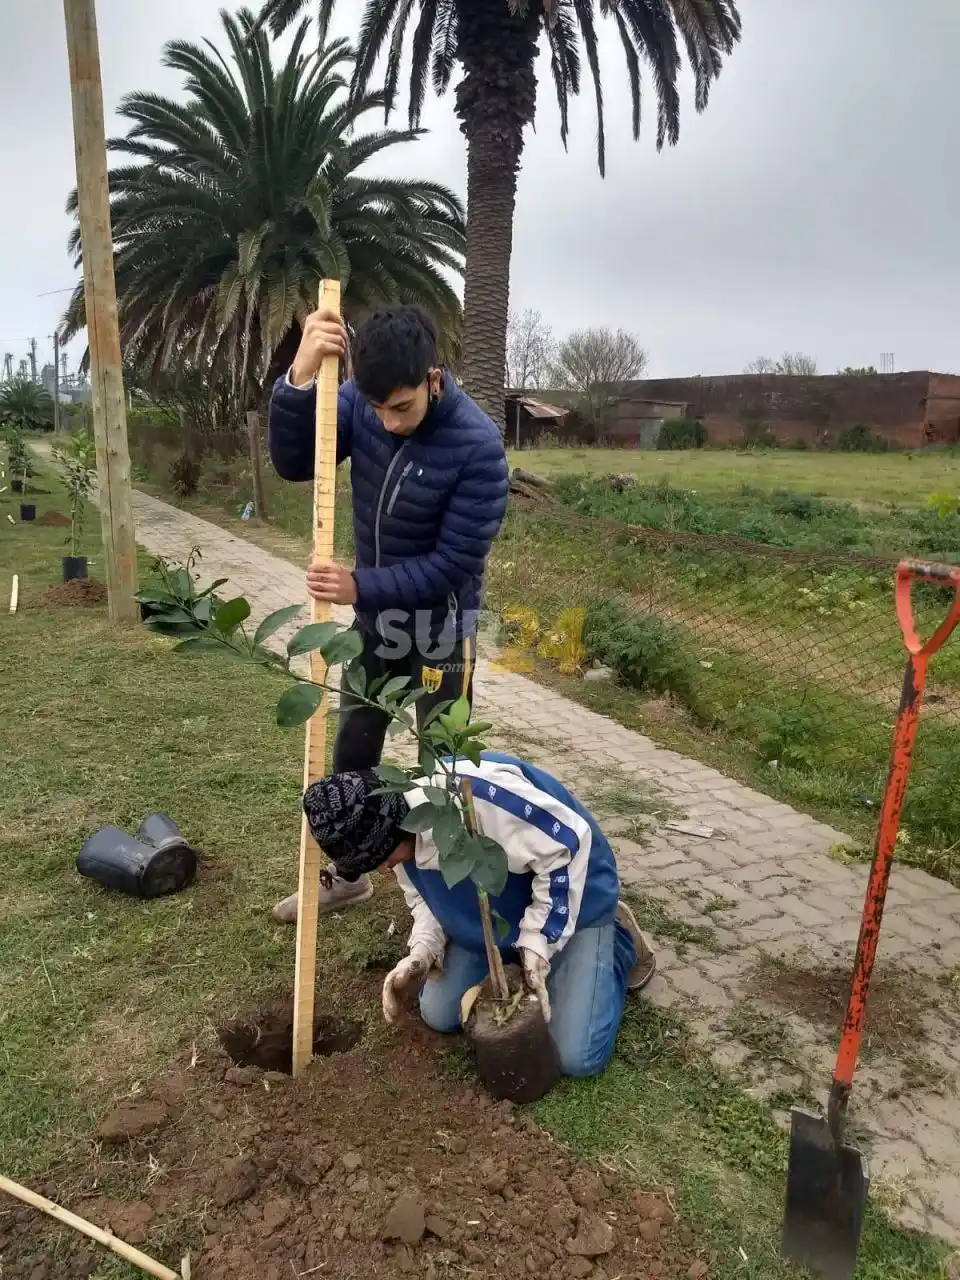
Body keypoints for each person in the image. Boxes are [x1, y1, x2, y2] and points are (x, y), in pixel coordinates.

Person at [269, 306, 509, 924]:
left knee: (441, 759)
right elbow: (298, 463)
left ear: (434, 379)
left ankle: (444, 894)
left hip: (440, 630)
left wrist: (359, 585)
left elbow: (453, 563)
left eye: (400, 408)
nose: (386, 423)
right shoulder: (359, 401)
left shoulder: (479, 448)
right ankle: (348, 875)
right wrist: (299, 378)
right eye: (375, 410)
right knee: (354, 743)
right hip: (376, 620)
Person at [302, 752, 658, 1079]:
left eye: (381, 859)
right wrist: (423, 950)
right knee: (439, 1013)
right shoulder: (385, 834)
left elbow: (570, 842)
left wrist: (537, 944)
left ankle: (618, 940)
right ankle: (514, 950)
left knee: (576, 1056)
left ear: (399, 826)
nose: (382, 869)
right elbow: (425, 899)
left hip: (576, 893)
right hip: (493, 913)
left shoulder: (480, 799)